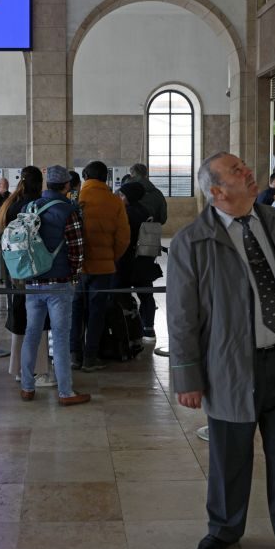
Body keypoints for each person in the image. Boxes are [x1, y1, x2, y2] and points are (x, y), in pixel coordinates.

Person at [167, 152, 275, 549]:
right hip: (230, 368)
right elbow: (181, 318)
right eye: (236, 171)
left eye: (243, 166)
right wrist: (187, 375)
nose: (247, 172)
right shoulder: (191, 242)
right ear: (217, 191)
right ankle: (224, 529)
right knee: (229, 458)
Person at [19, 165, 91, 406]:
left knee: (31, 334)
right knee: (60, 337)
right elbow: (77, 249)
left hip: (33, 280)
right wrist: (73, 276)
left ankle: (27, 387)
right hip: (59, 283)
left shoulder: (29, 207)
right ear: (67, 185)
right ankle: (65, 392)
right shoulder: (68, 211)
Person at [71, 161, 130, 371]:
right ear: (106, 177)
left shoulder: (76, 198)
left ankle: (73, 355)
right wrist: (110, 257)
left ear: (85, 176)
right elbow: (124, 237)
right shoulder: (114, 201)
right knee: (97, 312)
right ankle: (90, 358)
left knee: (75, 309)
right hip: (103, 268)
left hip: (77, 267)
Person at [0, 166, 53, 386]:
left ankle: (18, 368)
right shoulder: (37, 206)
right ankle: (38, 369)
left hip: (14, 268)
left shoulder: (10, 205)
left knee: (20, 314)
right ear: (41, 183)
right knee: (37, 318)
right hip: (34, 267)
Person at [117, 182, 161, 337]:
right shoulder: (146, 212)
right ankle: (149, 327)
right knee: (146, 294)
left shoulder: (123, 214)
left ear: (129, 197)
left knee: (122, 294)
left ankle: (128, 327)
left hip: (126, 260)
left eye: (122, 195)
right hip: (144, 259)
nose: (120, 198)